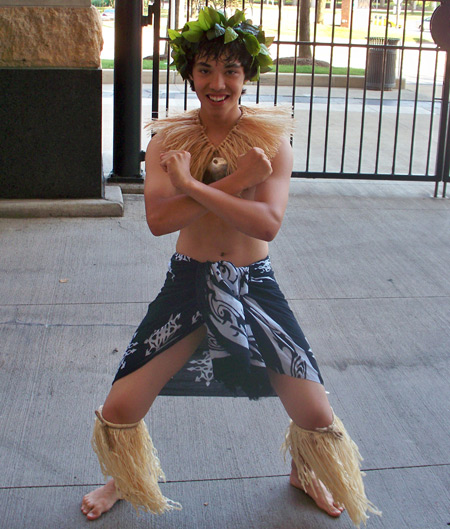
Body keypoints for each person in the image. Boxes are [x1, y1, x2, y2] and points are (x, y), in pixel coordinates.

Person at [81, 7, 380, 527]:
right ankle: (124, 479)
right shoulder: (168, 140)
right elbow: (158, 220)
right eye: (204, 69)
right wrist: (231, 182)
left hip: (254, 285)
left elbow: (266, 224)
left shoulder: (269, 140)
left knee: (315, 414)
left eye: (231, 71)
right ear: (189, 73)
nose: (217, 83)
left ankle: (303, 471)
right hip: (188, 281)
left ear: (247, 75)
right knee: (121, 408)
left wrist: (194, 186)